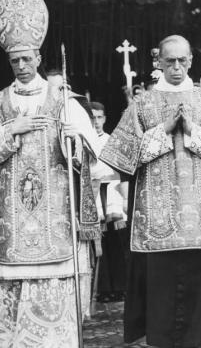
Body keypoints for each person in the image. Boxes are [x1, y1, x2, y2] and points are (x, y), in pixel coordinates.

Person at [100, 35, 201, 348]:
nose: (177, 67)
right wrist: (164, 130)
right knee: (161, 288)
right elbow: (123, 157)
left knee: (199, 287)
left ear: (191, 61)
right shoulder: (141, 104)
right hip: (157, 218)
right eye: (170, 61)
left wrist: (193, 131)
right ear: (157, 61)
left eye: (183, 60)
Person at [0, 0, 100, 345]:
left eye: (27, 58)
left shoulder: (64, 100)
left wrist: (75, 141)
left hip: (54, 214)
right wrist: (11, 131)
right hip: (13, 218)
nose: (21, 65)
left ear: (40, 58)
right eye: (15, 60)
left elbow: (91, 155)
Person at [89, 101, 128, 302]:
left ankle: (120, 286)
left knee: (116, 241)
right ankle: (102, 288)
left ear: (105, 118)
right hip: (94, 194)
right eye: (92, 117)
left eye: (99, 117)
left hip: (111, 193)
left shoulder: (111, 140)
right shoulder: (84, 141)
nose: (96, 122)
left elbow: (118, 169)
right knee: (98, 243)